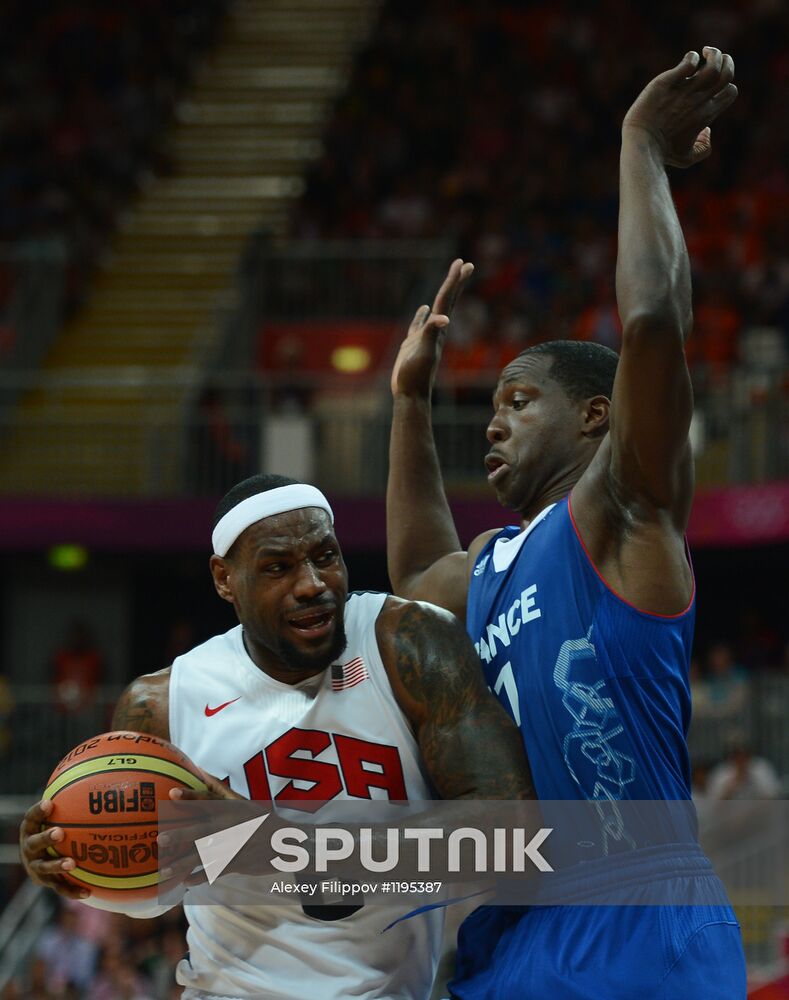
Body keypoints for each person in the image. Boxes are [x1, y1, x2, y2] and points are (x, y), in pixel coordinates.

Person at [387, 49, 746, 998]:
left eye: (517, 400)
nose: (494, 421)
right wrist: (409, 403)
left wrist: (638, 148)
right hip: (520, 932)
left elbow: (658, 320)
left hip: (640, 922)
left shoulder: (622, 509)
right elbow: (417, 576)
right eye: (491, 406)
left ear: (595, 416)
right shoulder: (491, 562)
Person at [20, 473, 533, 1000]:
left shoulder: (406, 643)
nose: (312, 583)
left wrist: (267, 842)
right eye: (277, 567)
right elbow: (152, 891)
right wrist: (74, 867)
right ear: (225, 579)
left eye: (325, 557)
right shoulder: (163, 704)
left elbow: (512, 836)